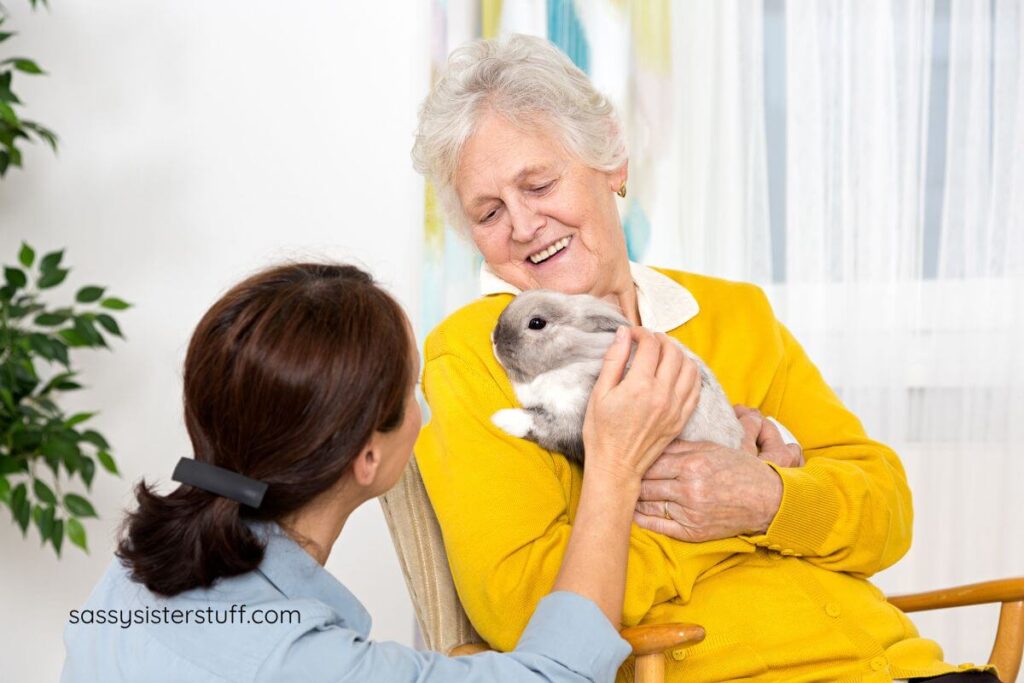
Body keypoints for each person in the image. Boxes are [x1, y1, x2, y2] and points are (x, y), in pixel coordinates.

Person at [411, 34, 996, 682]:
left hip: (911, 665)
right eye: (489, 212)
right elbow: (524, 605)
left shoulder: (734, 313)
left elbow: (888, 513)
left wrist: (765, 497)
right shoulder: (475, 358)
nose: (522, 225)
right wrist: (729, 515)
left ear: (612, 158)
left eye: (539, 182)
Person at [61, 263, 697, 682]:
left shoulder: (125, 583)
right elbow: (558, 676)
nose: (424, 410)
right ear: (367, 458)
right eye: (409, 395)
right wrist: (614, 464)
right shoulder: (303, 664)